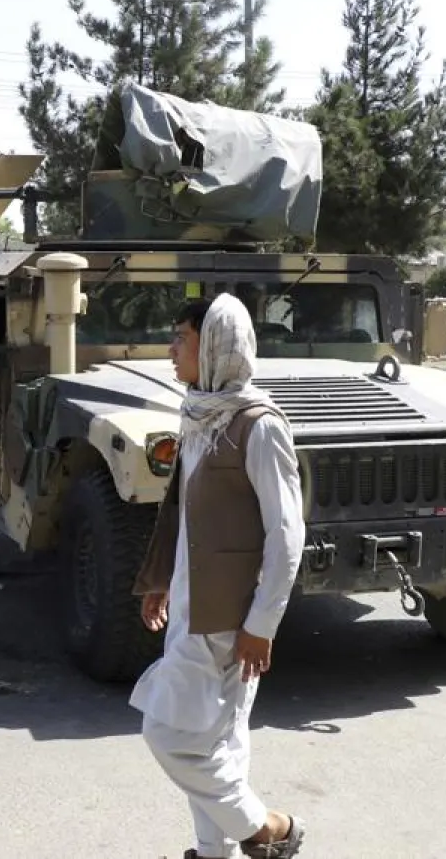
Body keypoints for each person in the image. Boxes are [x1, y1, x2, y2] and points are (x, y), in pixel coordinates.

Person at [130, 294, 307, 859]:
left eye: (179, 337)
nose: (170, 349)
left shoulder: (258, 426)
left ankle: (269, 829)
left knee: (171, 735)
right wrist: (158, 579)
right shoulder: (202, 414)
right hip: (190, 602)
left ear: (212, 346)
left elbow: (286, 535)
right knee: (218, 739)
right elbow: (180, 511)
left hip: (230, 619)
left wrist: (262, 624)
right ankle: (214, 852)